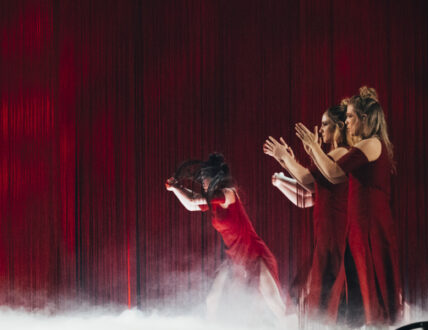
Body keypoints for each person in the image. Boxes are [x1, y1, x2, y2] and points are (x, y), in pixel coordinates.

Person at [295, 86, 402, 328]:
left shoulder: (371, 144)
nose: (347, 121)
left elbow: (333, 173)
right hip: (358, 230)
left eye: (351, 116)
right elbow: (325, 176)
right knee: (356, 294)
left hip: (370, 230)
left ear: (365, 119)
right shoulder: (364, 145)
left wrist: (313, 147)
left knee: (372, 292)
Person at [166, 153, 286, 321]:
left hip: (254, 253)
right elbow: (191, 204)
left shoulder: (229, 194)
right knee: (212, 299)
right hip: (234, 256)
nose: (203, 183)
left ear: (216, 178)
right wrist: (176, 188)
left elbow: (193, 200)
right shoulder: (212, 201)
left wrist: (177, 188)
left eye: (205, 179)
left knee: (273, 301)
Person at [264, 103, 351, 324]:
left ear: (339, 126)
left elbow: (306, 180)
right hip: (328, 234)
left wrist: (286, 158)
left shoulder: (341, 152)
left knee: (327, 296)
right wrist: (284, 159)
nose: (320, 129)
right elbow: (310, 187)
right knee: (321, 295)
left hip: (335, 234)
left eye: (325, 124)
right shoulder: (332, 154)